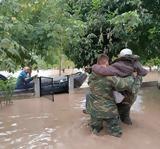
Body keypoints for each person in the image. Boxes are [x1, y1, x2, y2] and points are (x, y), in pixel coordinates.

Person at [86, 54, 141, 137]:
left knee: (95, 131)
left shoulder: (91, 76)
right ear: (107, 63)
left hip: (93, 110)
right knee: (116, 134)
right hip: (108, 111)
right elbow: (125, 85)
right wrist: (134, 76)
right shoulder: (110, 78)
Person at [92, 48, 148, 124]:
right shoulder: (137, 66)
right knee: (126, 104)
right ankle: (124, 117)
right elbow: (144, 72)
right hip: (129, 94)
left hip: (121, 94)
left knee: (117, 102)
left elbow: (105, 72)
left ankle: (118, 116)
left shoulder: (116, 66)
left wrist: (94, 67)